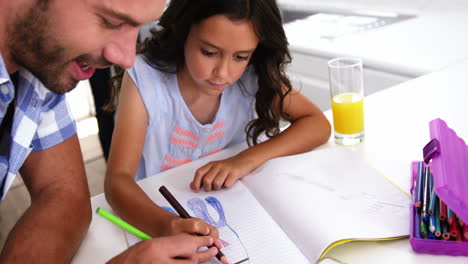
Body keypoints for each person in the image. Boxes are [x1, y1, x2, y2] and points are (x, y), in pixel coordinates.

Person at [104, 0, 331, 261]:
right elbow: (117, 181)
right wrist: (165, 225)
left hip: (235, 207)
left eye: (240, 57)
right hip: (155, 212)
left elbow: (317, 124)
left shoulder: (252, 74)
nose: (223, 73)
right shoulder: (145, 78)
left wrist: (245, 160)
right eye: (209, 52)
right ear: (181, 30)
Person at [0, 0, 219, 263]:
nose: (127, 58)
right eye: (111, 22)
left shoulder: (40, 68)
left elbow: (64, 195)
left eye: (136, 27)